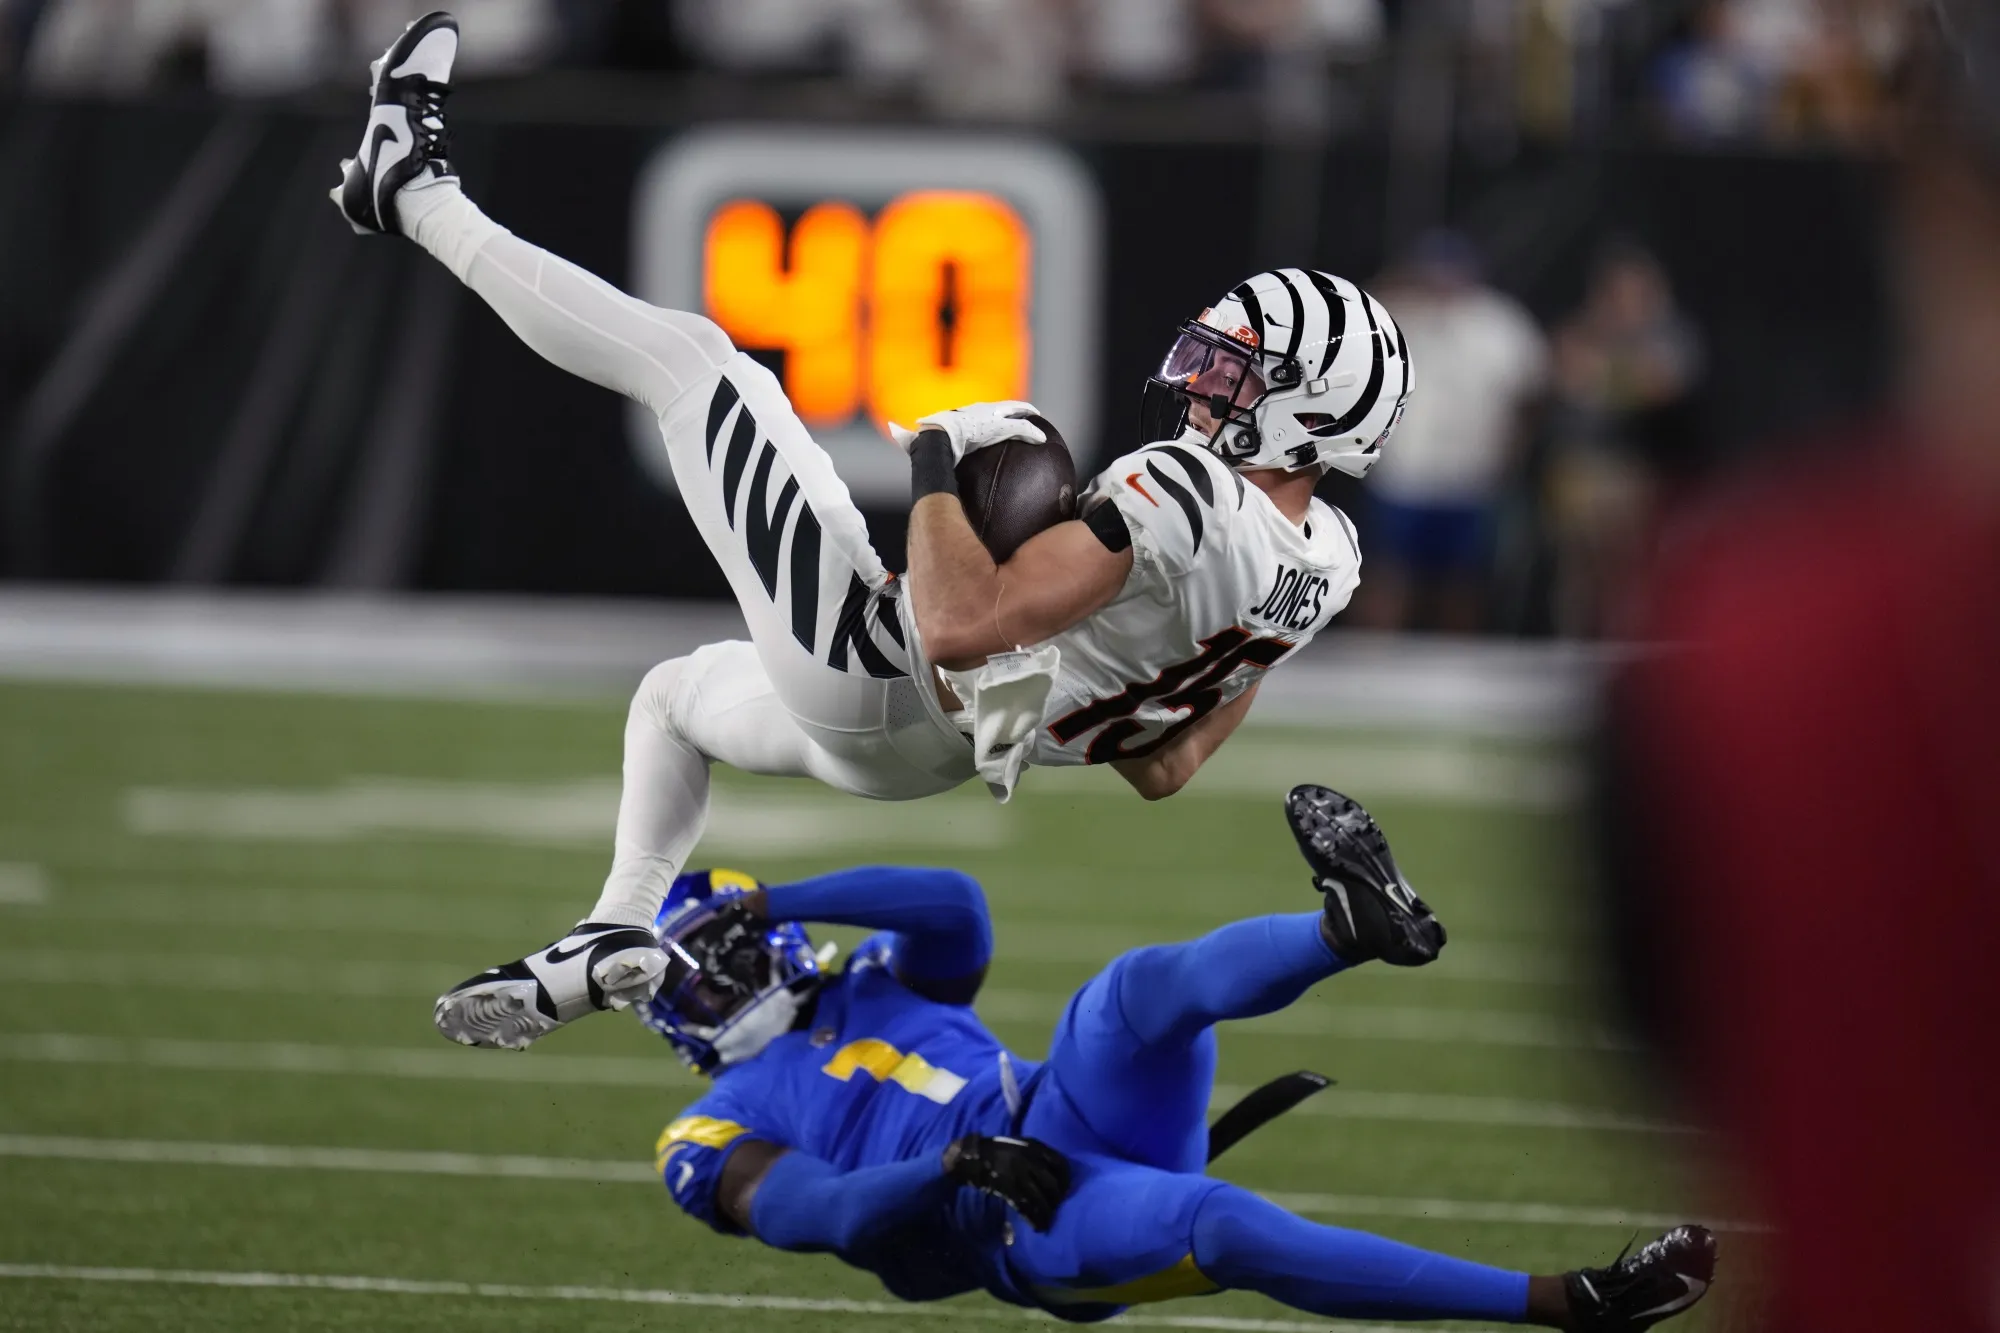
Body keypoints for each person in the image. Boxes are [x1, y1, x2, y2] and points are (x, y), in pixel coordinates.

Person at [331, 12, 1414, 1050]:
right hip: (926, 757)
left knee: (694, 366)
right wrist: (1059, 685)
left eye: (1235, 373)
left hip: (882, 666)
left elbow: (955, 626)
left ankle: (415, 193)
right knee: (670, 700)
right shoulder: (1325, 567)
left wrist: (937, 457)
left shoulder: (1186, 487)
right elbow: (1163, 766)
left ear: (1310, 411)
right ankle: (615, 921)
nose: (1200, 385)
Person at [640, 785, 1716, 1329]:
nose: (721, 977)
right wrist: (954, 1168)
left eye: (726, 948)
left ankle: (1348, 929)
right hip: (1024, 1215)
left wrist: (775, 892)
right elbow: (823, 1216)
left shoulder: (874, 976)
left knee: (1124, 993)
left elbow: (951, 901)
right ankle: (1569, 1300)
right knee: (1220, 1226)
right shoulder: (710, 1126)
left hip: (1053, 1106)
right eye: (697, 971)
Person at [1358, 231, 1547, 634]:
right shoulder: (1398, 315)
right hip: (1405, 473)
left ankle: (1459, 672)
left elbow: (1532, 392)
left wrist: (1510, 456)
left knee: (1464, 581)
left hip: (1472, 474)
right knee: (1388, 572)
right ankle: (1373, 661)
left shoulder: (1501, 323)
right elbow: (1349, 314)